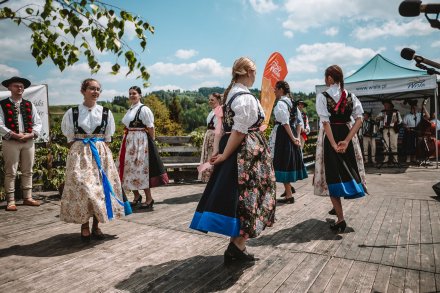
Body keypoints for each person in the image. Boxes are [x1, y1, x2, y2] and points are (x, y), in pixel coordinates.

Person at [190, 57, 276, 264]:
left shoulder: (231, 95)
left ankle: (237, 245)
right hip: (245, 153)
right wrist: (224, 155)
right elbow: (238, 131)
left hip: (239, 150)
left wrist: (222, 151)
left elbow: (227, 130)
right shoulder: (244, 97)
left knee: (241, 196)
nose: (255, 76)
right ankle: (237, 246)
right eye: (254, 72)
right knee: (250, 195)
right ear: (247, 72)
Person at [60, 78, 125, 241]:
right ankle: (84, 224)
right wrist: (79, 151)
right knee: (83, 188)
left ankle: (96, 225)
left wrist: (97, 148)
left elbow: (107, 138)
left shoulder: (106, 112)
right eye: (91, 88)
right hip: (80, 153)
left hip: (100, 153)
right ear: (83, 91)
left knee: (100, 189)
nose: (95, 92)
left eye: (98, 89)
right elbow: (69, 138)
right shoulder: (72, 112)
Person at [313, 65, 367, 233]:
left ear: (329, 78)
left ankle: (341, 219)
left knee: (332, 175)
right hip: (347, 135)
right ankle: (340, 209)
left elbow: (325, 123)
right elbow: (359, 119)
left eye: (325, 77)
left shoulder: (322, 96)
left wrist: (334, 144)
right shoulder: (351, 96)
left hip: (331, 137)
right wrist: (347, 140)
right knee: (348, 170)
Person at [117, 86, 168, 209]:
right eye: (130, 94)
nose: (132, 96)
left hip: (140, 142)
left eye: (134, 93)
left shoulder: (144, 109)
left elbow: (150, 127)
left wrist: (151, 143)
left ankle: (149, 198)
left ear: (140, 95)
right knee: (128, 170)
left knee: (140, 170)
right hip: (129, 141)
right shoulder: (131, 109)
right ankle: (136, 196)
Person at [0, 76, 42, 211]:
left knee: (28, 170)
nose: (19, 88)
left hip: (28, 140)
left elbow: (38, 122)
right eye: (16, 86)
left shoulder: (29, 104)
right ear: (9, 88)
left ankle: (28, 197)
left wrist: (31, 134)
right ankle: (11, 200)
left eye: (21, 86)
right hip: (11, 141)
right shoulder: (1, 104)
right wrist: (13, 134)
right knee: (10, 171)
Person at [269, 80, 307, 204]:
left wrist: (292, 138)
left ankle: (289, 195)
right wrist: (296, 136)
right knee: (285, 163)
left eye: (275, 88)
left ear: (280, 89)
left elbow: (284, 123)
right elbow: (299, 123)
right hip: (290, 135)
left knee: (281, 163)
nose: (274, 91)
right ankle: (288, 192)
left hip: (283, 136)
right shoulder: (292, 103)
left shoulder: (281, 103)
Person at [198, 92, 222, 183]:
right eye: (209, 100)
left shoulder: (219, 111)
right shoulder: (212, 111)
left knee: (211, 159)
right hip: (209, 138)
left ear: (218, 100)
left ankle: (211, 180)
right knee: (207, 159)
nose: (210, 101)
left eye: (212, 100)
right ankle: (207, 180)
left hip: (213, 139)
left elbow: (218, 129)